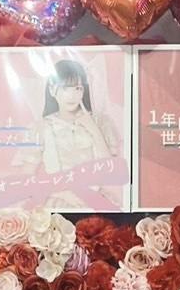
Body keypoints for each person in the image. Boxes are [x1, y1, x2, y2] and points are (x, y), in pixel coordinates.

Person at [19, 58, 120, 210]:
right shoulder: (41, 127)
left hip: (95, 199)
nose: (72, 95)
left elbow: (108, 170)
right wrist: (62, 194)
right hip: (57, 201)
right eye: (66, 89)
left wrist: (93, 129)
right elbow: (26, 176)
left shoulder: (100, 122)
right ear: (52, 89)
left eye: (78, 88)